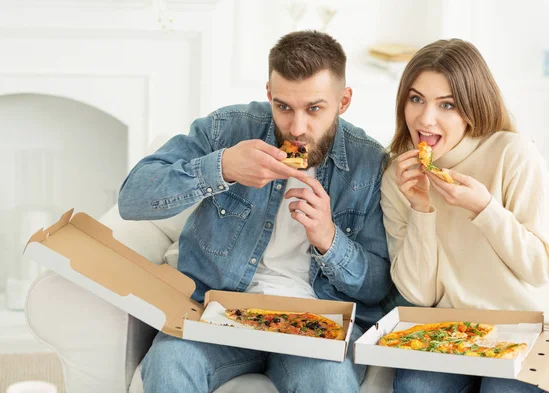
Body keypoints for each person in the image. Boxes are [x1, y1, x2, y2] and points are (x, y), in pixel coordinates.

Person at [118, 30, 391, 393]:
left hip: (316, 328)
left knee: (330, 381)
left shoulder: (369, 163)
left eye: (314, 109)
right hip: (218, 314)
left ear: (343, 101)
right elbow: (132, 198)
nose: (297, 128)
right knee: (169, 365)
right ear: (268, 94)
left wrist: (329, 240)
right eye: (284, 107)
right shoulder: (228, 129)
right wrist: (222, 168)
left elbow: (378, 288)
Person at [380, 38, 549, 393]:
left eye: (447, 104)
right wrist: (421, 209)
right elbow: (421, 295)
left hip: (529, 327)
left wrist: (484, 208)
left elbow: (539, 267)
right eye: (416, 98)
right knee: (415, 387)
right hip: (451, 330)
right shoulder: (399, 176)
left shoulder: (512, 153)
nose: (425, 118)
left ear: (472, 108)